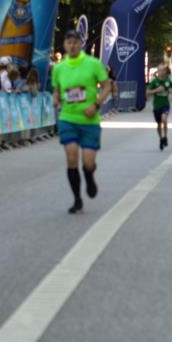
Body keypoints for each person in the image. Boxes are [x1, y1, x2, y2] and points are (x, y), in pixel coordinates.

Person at [51, 30, 111, 214]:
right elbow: (57, 88)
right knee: (71, 157)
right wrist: (55, 100)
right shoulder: (59, 68)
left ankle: (90, 176)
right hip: (68, 118)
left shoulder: (93, 64)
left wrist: (96, 104)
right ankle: (77, 200)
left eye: (75, 42)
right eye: (69, 43)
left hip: (89, 120)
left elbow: (107, 85)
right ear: (64, 45)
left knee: (88, 162)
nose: (72, 46)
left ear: (80, 44)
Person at [146, 63, 172, 150]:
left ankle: (165, 136)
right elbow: (147, 92)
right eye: (160, 70)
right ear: (157, 71)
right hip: (156, 105)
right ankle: (161, 138)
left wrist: (171, 92)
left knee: (164, 120)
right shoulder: (155, 81)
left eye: (163, 70)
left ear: (165, 71)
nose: (161, 72)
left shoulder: (168, 80)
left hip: (165, 104)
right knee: (158, 124)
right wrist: (156, 90)